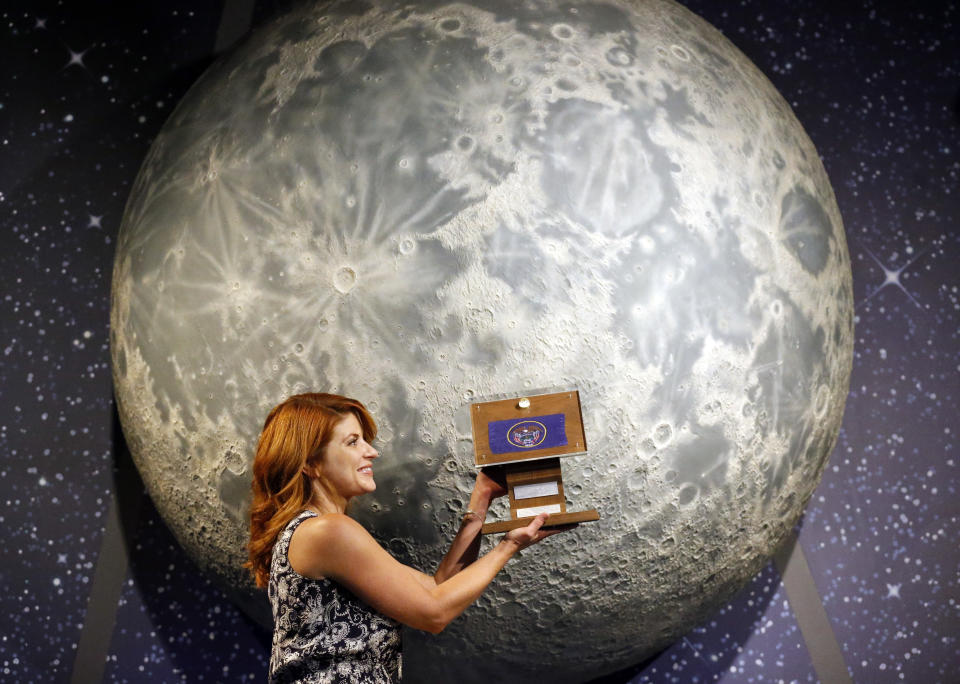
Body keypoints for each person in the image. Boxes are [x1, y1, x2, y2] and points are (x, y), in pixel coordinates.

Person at [246, 392, 567, 683]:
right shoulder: (328, 532)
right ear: (310, 464)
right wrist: (508, 546)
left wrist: (480, 500)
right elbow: (434, 613)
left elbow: (438, 587)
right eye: (352, 442)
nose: (371, 451)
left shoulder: (314, 530)